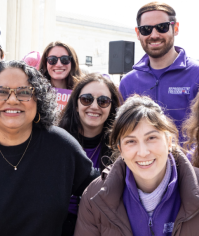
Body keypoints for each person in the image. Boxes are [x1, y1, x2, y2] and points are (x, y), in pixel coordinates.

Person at [0, 60, 98, 236]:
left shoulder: (62, 147)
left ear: (38, 99)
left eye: (24, 92)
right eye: (1, 92)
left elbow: (103, 192)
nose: (12, 99)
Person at [75, 95, 199, 236]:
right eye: (131, 141)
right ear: (120, 149)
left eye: (151, 138)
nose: (143, 152)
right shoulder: (94, 196)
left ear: (169, 142)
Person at [119, 2, 199, 142]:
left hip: (189, 163)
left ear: (176, 28)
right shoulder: (127, 83)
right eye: (146, 29)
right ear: (138, 33)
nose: (154, 35)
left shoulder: (196, 74)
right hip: (143, 162)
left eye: (162, 27)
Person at [58, 73, 122, 235]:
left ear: (112, 106)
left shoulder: (121, 145)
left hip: (99, 226)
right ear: (76, 103)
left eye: (103, 101)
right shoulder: (56, 140)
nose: (94, 106)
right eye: (87, 99)